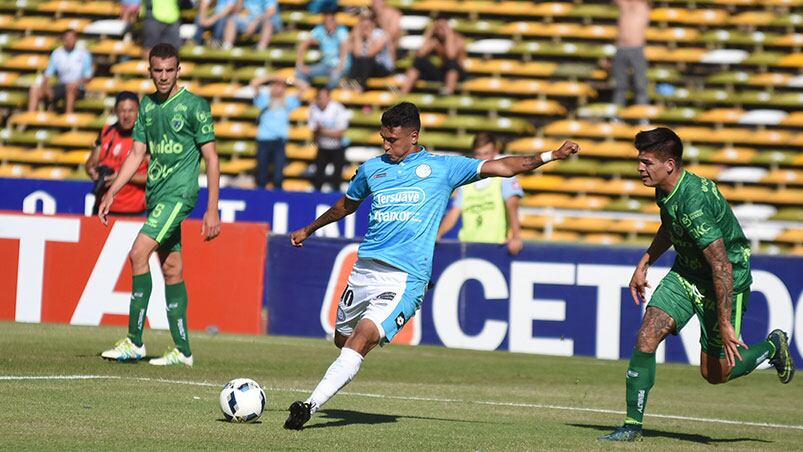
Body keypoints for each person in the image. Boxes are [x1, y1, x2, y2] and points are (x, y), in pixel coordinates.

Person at [283, 102, 580, 429]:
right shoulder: (371, 169)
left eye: (392, 140)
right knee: (343, 340)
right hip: (364, 270)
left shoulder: (443, 168)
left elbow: (503, 167)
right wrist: (309, 229)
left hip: (405, 279)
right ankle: (333, 376)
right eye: (383, 138)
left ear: (414, 136)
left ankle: (309, 406)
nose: (386, 145)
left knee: (363, 338)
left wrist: (550, 155)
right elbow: (346, 205)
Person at [600, 128, 795, 442]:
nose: (640, 168)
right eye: (640, 160)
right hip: (686, 274)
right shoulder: (665, 188)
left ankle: (772, 346)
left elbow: (721, 265)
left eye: (646, 162)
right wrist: (645, 260)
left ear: (670, 165)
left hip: (725, 279)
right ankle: (631, 425)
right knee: (647, 334)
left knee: (715, 373)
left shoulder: (695, 201)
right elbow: (670, 225)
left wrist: (724, 323)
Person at [98, 43, 221, 367]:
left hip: (179, 195)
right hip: (157, 196)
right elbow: (136, 154)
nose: (164, 76)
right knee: (171, 268)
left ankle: (135, 342)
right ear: (150, 70)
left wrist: (212, 207)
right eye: (158, 70)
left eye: (170, 70)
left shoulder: (194, 106)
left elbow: (211, 158)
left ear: (178, 70)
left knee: (138, 253)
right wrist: (112, 191)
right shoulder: (148, 107)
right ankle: (182, 350)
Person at [436, 133, 524, 256]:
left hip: (495, 246)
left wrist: (516, 236)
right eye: (478, 154)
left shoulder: (505, 177)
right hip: (468, 247)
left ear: (495, 152)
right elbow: (454, 213)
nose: (483, 159)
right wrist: (438, 234)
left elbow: (513, 205)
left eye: (486, 154)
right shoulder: (467, 181)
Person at [85, 91, 148, 217]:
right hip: (102, 208)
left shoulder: (147, 137)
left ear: (138, 112)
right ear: (115, 111)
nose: (126, 115)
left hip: (133, 212)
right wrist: (93, 171)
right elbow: (90, 164)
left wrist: (121, 177)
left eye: (131, 111)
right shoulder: (106, 132)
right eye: (122, 111)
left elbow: (154, 177)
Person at [249, 74, 303, 189]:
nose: (279, 88)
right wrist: (271, 78)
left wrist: (288, 80)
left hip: (279, 142)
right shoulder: (264, 99)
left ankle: (277, 197)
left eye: (282, 86)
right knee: (262, 173)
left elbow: (304, 87)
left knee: (278, 175)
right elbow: (254, 83)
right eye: (276, 86)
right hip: (264, 140)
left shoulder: (288, 101)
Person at [28, 29, 92, 114]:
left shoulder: (84, 54)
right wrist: (45, 87)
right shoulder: (57, 53)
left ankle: (68, 118)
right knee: (34, 89)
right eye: (67, 38)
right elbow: (48, 74)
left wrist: (76, 83)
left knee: (70, 88)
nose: (70, 41)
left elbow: (88, 76)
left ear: (76, 39)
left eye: (72, 38)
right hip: (62, 85)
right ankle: (30, 118)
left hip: (77, 87)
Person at [400, 15, 466, 95]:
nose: (439, 30)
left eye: (443, 28)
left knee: (451, 64)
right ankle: (402, 94)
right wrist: (429, 33)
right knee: (418, 62)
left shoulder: (458, 39)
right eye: (437, 27)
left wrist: (448, 35)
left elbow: (451, 55)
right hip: (442, 73)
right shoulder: (435, 40)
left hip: (458, 74)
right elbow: (420, 54)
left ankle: (448, 91)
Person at [294, 10, 350, 90]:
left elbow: (344, 47)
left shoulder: (341, 31)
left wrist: (340, 66)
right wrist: (299, 63)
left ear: (335, 21)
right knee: (300, 72)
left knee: (335, 77)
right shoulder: (320, 30)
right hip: (325, 65)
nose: (328, 23)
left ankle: (326, 96)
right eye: (326, 21)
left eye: (330, 20)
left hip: (340, 66)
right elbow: (303, 44)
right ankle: (307, 93)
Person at [309, 87, 348, 191]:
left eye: (322, 97)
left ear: (328, 98)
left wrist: (322, 131)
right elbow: (313, 131)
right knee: (318, 176)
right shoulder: (313, 108)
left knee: (337, 177)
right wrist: (327, 132)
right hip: (322, 147)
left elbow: (339, 133)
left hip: (337, 147)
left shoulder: (338, 109)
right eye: (318, 98)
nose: (320, 100)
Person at [612, 0, 649, 106]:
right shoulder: (624, 4)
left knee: (640, 85)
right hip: (621, 48)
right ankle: (616, 116)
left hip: (637, 48)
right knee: (620, 86)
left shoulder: (643, 5)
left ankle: (642, 116)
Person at [348, 8, 394, 92]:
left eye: (368, 19)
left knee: (367, 60)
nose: (365, 22)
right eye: (362, 19)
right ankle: (352, 84)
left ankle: (360, 86)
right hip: (366, 67)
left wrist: (369, 36)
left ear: (373, 21)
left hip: (383, 68)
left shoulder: (381, 34)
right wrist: (358, 36)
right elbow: (357, 53)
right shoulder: (360, 34)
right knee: (356, 59)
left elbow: (370, 53)